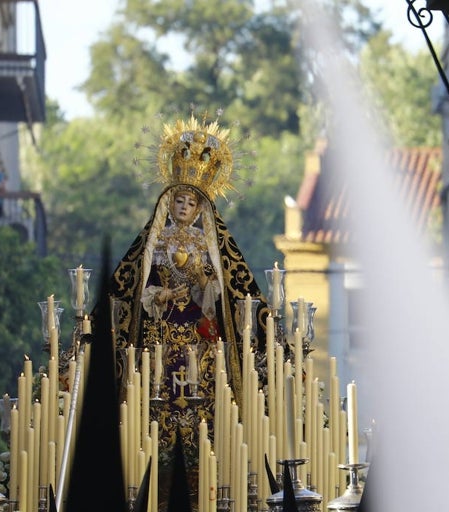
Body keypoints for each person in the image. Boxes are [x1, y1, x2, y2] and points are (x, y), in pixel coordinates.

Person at [107, 114, 267, 509]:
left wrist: (204, 282)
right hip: (161, 337)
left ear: (200, 209)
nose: (183, 207)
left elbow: (223, 294)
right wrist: (160, 295)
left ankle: (205, 473)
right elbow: (134, 292)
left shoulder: (206, 242)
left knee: (205, 405)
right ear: (167, 202)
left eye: (190, 202)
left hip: (199, 337)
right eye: (177, 200)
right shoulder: (154, 241)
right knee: (155, 397)